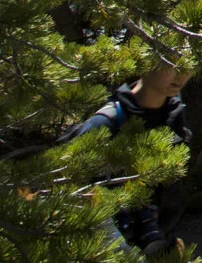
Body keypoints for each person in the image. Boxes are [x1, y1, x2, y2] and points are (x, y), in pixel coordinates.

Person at [62, 64, 194, 256]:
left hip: (159, 246)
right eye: (170, 62)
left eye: (189, 64)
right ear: (146, 59)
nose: (182, 73)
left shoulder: (174, 119)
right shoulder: (106, 123)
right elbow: (76, 200)